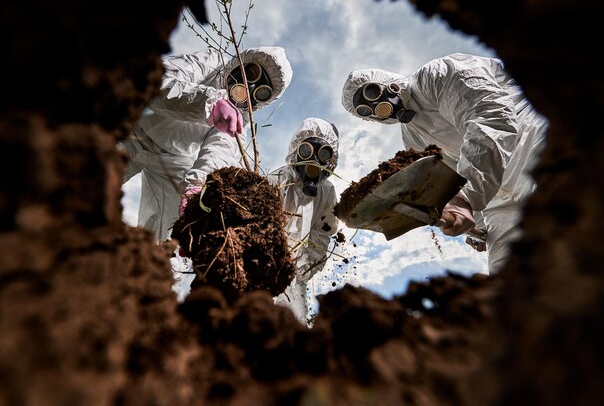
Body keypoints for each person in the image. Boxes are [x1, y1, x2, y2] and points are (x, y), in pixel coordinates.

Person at [341, 53, 548, 274]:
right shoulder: (413, 139)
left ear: (385, 80)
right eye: (366, 111)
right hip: (497, 198)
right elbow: (450, 183)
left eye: (372, 92)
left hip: (531, 147)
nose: (376, 107)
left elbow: (492, 119)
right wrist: (476, 225)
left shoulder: (437, 74)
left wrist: (468, 198)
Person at [120, 46, 293, 299]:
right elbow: (159, 80)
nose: (248, 88)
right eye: (249, 74)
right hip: (135, 128)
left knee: (165, 238)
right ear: (240, 62)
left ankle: (143, 296)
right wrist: (208, 103)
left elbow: (218, 152)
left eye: (260, 91)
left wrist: (198, 189)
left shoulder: (239, 117)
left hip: (173, 160)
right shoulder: (212, 61)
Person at [268, 117, 340, 324]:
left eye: (323, 154)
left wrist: (305, 267)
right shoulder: (277, 181)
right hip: (264, 264)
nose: (314, 160)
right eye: (307, 151)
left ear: (331, 160)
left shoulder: (326, 192)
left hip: (294, 276)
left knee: (292, 330)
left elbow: (323, 232)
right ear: (296, 150)